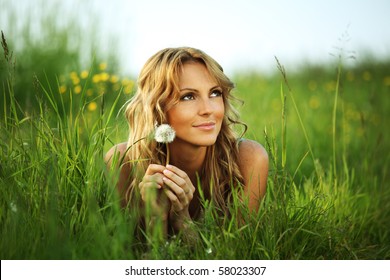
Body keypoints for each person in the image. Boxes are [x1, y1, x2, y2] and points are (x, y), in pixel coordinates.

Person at [104, 47, 268, 239]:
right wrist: (157, 220)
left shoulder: (248, 160)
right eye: (188, 96)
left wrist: (183, 221)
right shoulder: (123, 163)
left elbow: (238, 258)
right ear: (157, 108)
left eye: (215, 93)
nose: (208, 109)